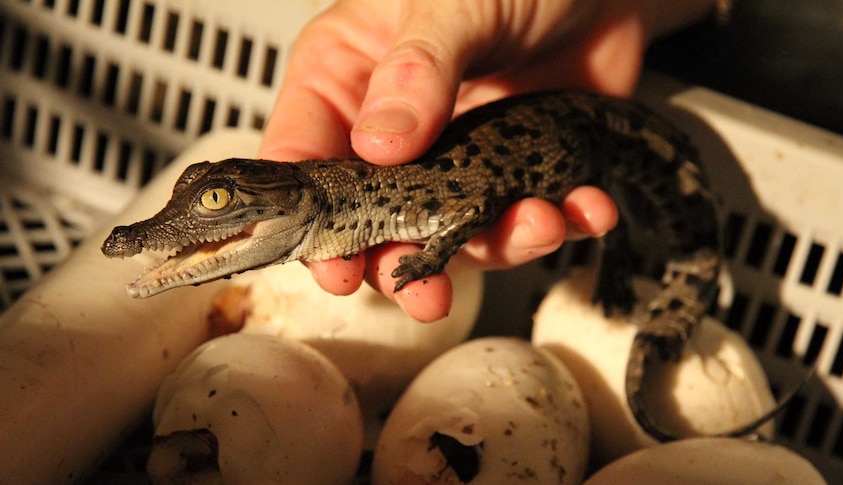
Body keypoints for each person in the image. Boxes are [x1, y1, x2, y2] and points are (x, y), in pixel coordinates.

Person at [258, 0, 726, 322]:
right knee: (594, 208)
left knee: (614, 202)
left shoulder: (397, 199)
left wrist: (435, 255)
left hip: (594, 132)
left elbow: (471, 209)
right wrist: (616, 12)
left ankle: (630, 265)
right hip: (583, 97)